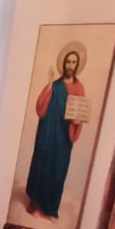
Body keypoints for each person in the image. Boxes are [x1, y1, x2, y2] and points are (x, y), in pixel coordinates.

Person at [24, 48, 86, 219]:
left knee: (57, 169)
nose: (70, 65)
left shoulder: (79, 88)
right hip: (48, 132)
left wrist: (77, 122)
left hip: (64, 137)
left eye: (73, 62)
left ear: (77, 65)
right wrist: (50, 82)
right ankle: (35, 201)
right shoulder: (56, 85)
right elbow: (40, 108)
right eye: (68, 62)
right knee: (41, 164)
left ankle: (49, 207)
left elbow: (80, 113)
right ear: (64, 64)